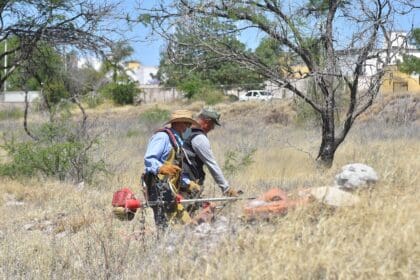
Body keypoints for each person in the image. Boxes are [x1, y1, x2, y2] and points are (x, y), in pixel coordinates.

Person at [143, 109, 198, 228]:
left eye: (189, 124)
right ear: (177, 123)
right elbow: (149, 159)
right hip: (158, 190)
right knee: (167, 229)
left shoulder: (177, 141)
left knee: (187, 225)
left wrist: (188, 183)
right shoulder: (162, 137)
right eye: (186, 124)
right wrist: (160, 168)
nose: (188, 127)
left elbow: (175, 169)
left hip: (170, 191)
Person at [181, 108, 241, 198]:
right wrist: (226, 188)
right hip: (189, 184)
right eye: (212, 124)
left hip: (179, 180)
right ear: (206, 121)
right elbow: (211, 164)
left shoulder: (187, 132)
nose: (212, 128)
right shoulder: (199, 138)